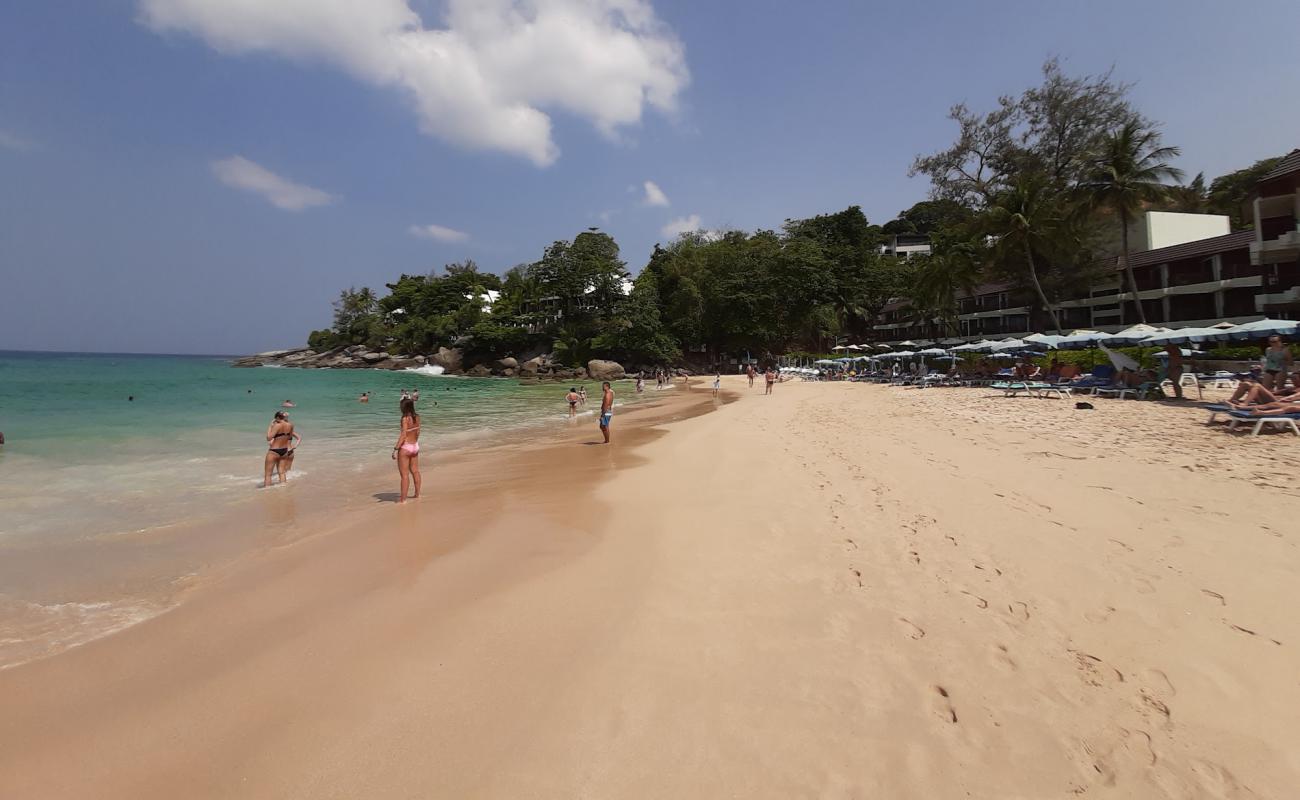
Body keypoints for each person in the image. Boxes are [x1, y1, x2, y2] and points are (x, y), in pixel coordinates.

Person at [392, 397, 421, 504]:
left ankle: (403, 500)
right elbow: (418, 432)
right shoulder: (417, 417)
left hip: (405, 447)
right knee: (415, 471)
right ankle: (417, 495)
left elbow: (403, 435)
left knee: (404, 475)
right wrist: (414, 442)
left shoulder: (404, 419)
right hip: (415, 446)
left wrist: (395, 449)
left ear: (404, 407)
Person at [263, 411, 301, 487]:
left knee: (268, 475)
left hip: (274, 451)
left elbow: (268, 438)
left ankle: (267, 492)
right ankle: (283, 489)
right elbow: (289, 437)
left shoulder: (277, 425)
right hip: (284, 451)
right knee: (282, 473)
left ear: (277, 418)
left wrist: (270, 426)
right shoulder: (290, 425)